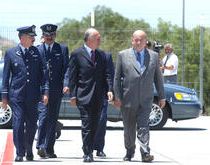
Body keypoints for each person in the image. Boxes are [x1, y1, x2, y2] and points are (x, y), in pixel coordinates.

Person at [113, 30, 166, 162]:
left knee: (144, 126)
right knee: (129, 128)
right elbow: (116, 78)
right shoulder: (123, 55)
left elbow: (158, 79)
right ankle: (129, 151)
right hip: (128, 99)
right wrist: (117, 97)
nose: (138, 42)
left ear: (145, 41)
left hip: (145, 99)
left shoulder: (153, 56)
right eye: (136, 39)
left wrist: (162, 96)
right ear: (132, 41)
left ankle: (145, 152)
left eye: (141, 40)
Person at [1, 25, 49, 162]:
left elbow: (43, 75)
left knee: (32, 124)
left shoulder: (37, 52)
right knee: (18, 123)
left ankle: (29, 148)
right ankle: (20, 151)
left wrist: (45, 92)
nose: (33, 38)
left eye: (34, 36)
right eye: (30, 36)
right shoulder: (11, 53)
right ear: (22, 38)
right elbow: (5, 77)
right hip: (17, 95)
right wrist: (4, 97)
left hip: (33, 95)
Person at [69, 28, 113, 162]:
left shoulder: (102, 55)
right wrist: (73, 95)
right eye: (98, 38)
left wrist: (110, 89)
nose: (100, 41)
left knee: (96, 124)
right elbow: (72, 76)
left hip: (98, 96)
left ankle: (87, 146)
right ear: (89, 40)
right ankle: (88, 152)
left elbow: (107, 75)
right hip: (84, 95)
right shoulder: (77, 54)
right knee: (87, 124)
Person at [36, 24, 69, 158]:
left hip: (56, 89)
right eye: (46, 35)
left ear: (55, 35)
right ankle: (41, 145)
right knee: (43, 116)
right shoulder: (37, 50)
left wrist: (66, 84)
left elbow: (67, 68)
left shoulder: (62, 49)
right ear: (42, 36)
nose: (49, 37)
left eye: (52, 35)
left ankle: (49, 148)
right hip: (41, 89)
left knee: (53, 118)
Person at [92, 51, 114, 158]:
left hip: (102, 94)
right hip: (87, 94)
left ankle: (99, 148)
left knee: (101, 120)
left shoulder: (106, 56)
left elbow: (110, 74)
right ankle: (88, 148)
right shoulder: (82, 54)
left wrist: (111, 90)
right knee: (88, 122)